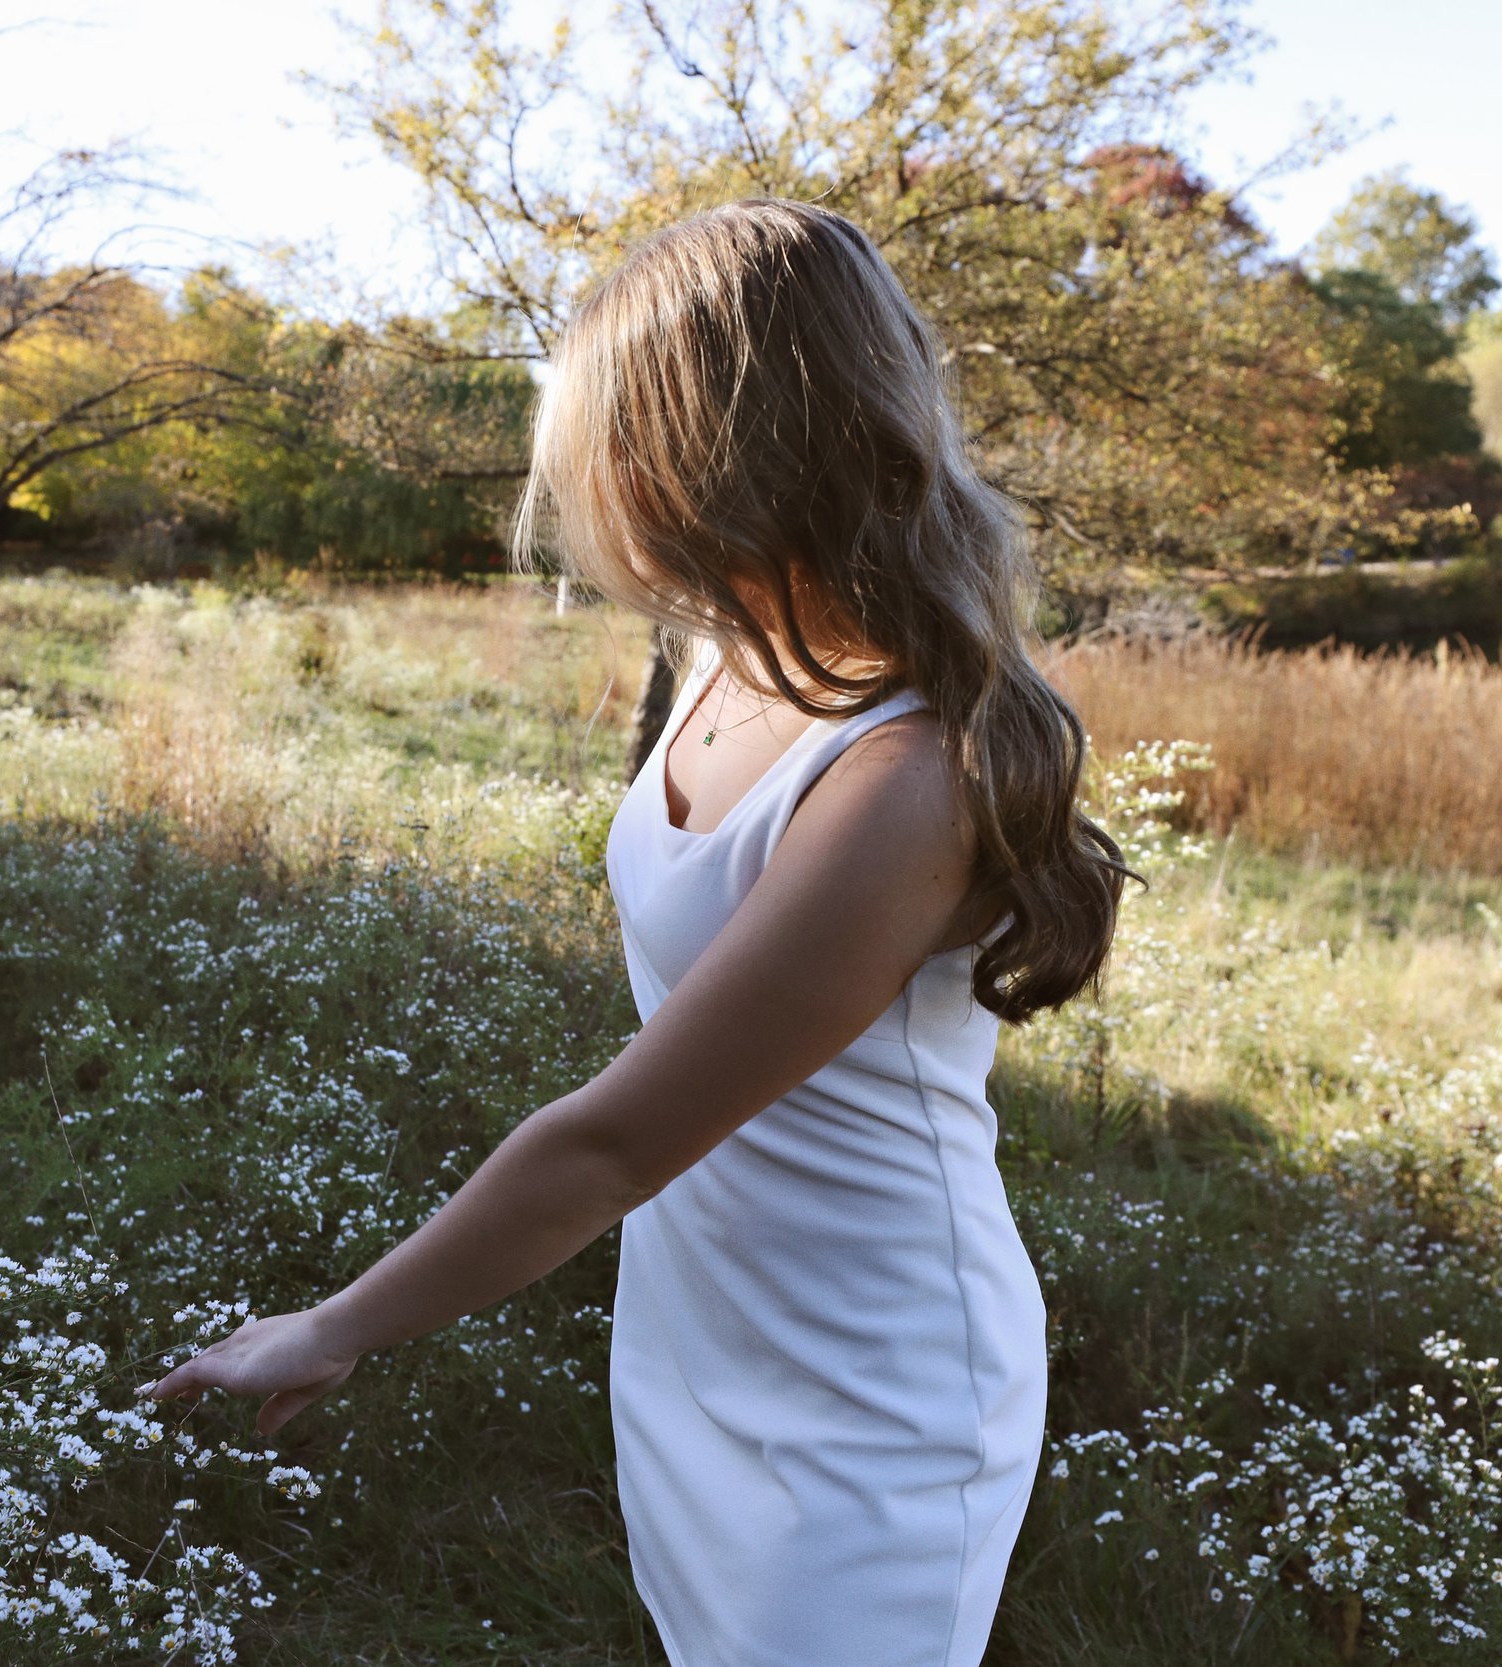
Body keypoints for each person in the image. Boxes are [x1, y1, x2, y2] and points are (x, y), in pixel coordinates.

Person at [144, 197, 1130, 1666]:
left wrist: (337, 1323)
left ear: (708, 450)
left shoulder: (905, 776)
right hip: (699, 1324)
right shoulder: (718, 652)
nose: (587, 489)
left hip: (872, 1394)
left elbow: (607, 1146)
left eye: (606, 439)